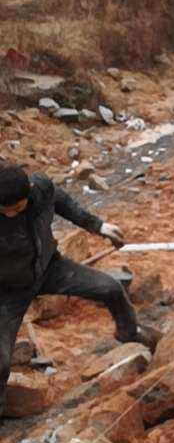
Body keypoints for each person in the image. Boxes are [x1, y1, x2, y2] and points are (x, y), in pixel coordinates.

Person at [0, 164, 136, 419]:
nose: (11, 214)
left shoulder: (40, 189)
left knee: (111, 288)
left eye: (17, 208)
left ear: (28, 193)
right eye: (5, 211)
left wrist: (98, 226)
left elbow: (62, 201)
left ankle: (131, 338)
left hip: (49, 268)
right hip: (7, 293)